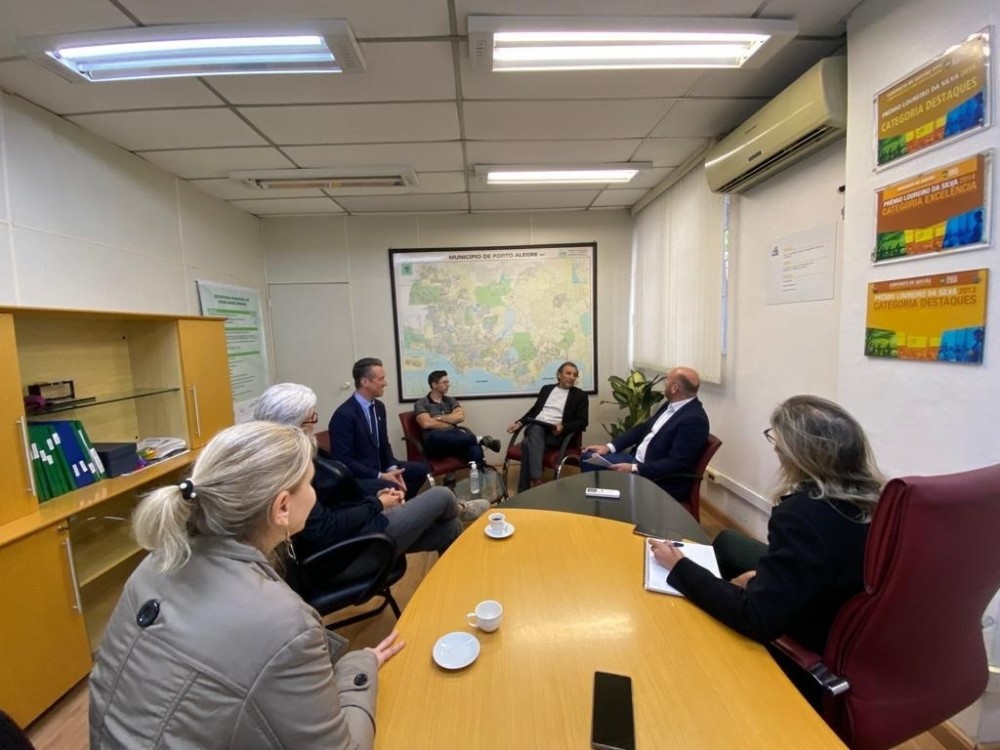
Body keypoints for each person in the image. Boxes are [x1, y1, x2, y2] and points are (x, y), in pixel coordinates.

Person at [89, 421, 405, 749]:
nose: (315, 494)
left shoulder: (155, 563)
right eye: (311, 483)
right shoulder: (284, 622)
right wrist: (358, 667)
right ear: (282, 507)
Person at [650, 395, 884, 700]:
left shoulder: (801, 516)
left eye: (778, 440)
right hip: (839, 594)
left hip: (813, 625)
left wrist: (679, 566)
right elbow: (814, 560)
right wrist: (764, 577)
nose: (775, 447)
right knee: (727, 542)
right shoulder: (874, 498)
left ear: (801, 453)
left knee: (691, 576)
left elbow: (756, 617)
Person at [253, 383, 486, 561]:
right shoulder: (292, 470)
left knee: (450, 527)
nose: (314, 422)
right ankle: (460, 507)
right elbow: (324, 529)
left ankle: (454, 580)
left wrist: (378, 492)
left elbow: (341, 490)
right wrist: (377, 504)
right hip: (354, 543)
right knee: (442, 495)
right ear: (293, 423)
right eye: (311, 417)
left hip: (362, 519)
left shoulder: (307, 454)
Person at [582, 366, 709, 501]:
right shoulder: (671, 404)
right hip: (637, 461)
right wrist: (609, 447)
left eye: (667, 381)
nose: (665, 383)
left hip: (655, 477)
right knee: (589, 457)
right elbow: (643, 428)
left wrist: (634, 468)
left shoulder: (694, 419)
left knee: (593, 466)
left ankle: (612, 509)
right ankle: (602, 506)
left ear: (674, 388)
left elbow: (677, 463)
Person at [330, 357, 429, 499]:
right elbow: (344, 461)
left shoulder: (379, 407)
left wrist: (393, 469)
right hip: (360, 476)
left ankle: (400, 506)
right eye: (381, 379)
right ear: (365, 382)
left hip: (381, 467)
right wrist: (381, 476)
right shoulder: (344, 415)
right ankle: (392, 511)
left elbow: (384, 443)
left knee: (422, 470)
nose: (385, 383)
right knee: (392, 486)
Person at [507, 361, 589, 492]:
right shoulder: (546, 389)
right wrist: (520, 423)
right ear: (559, 374)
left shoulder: (580, 395)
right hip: (537, 427)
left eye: (575, 375)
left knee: (528, 443)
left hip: (556, 434)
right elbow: (534, 411)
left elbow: (583, 421)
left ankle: (523, 490)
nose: (572, 377)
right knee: (535, 427)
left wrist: (563, 427)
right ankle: (537, 479)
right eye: (568, 373)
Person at [414, 370, 502, 470]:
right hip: (436, 446)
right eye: (444, 382)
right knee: (436, 435)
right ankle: (480, 439)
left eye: (448, 382)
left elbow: (460, 417)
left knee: (475, 448)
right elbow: (426, 423)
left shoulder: (451, 400)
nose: (448, 385)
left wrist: (439, 418)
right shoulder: (421, 403)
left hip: (456, 441)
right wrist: (450, 422)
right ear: (434, 385)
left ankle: (479, 481)